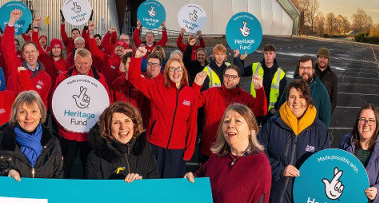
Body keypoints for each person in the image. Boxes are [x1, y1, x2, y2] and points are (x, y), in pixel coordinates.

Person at [128, 47, 201, 178]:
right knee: (152, 181)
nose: (175, 72)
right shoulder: (157, 86)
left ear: (183, 71)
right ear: (166, 71)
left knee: (171, 185)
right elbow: (134, 79)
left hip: (177, 149)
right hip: (155, 145)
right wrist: (137, 58)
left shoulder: (190, 93)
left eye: (178, 68)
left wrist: (189, 151)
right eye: (171, 69)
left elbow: (192, 124)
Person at [51, 48, 111, 179]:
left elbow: (106, 104)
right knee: (65, 166)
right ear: (74, 62)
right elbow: (55, 103)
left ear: (91, 62)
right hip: (68, 133)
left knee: (89, 167)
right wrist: (62, 124)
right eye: (79, 63)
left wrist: (99, 127)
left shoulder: (99, 78)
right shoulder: (63, 77)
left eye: (85, 63)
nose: (82, 66)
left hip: (90, 134)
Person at [194, 65, 267, 161]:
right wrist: (196, 85)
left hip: (234, 149)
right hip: (211, 147)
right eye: (227, 76)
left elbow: (261, 111)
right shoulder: (211, 93)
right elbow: (193, 103)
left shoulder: (245, 97)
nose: (229, 79)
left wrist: (259, 90)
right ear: (223, 77)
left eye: (234, 77)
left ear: (238, 79)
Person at [0, 91, 63, 179]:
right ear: (16, 115)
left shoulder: (52, 142)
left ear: (41, 114)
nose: (28, 117)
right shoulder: (2, 139)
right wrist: (7, 173)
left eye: (33, 111)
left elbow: (58, 175)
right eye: (22, 112)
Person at [85, 101, 158, 180]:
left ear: (134, 124)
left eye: (127, 121)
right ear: (107, 128)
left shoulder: (146, 149)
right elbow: (93, 187)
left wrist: (140, 184)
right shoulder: (96, 156)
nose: (123, 127)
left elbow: (154, 183)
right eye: (116, 123)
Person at [1, 11, 52, 104]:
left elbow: (43, 102)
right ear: (23, 55)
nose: (30, 54)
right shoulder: (15, 68)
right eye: (27, 52)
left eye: (32, 51)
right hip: (15, 111)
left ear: (38, 53)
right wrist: (12, 21)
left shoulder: (46, 77)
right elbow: (7, 47)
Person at [275, 55, 331, 128]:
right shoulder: (290, 87)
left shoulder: (321, 90)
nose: (305, 71)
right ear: (298, 69)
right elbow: (280, 109)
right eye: (302, 68)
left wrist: (319, 134)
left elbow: (325, 119)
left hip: (310, 133)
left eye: (308, 68)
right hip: (289, 131)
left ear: (313, 70)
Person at [233, 44, 286, 119]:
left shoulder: (281, 74)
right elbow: (241, 72)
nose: (268, 56)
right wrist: (238, 59)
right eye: (266, 53)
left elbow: (283, 95)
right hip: (256, 108)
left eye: (270, 53)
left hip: (270, 112)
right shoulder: (256, 66)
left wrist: (275, 108)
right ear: (263, 54)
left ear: (275, 55)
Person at [315, 47, 338, 115]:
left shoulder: (333, 77)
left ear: (328, 60)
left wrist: (328, 113)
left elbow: (334, 99)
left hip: (324, 114)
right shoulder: (311, 73)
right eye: (320, 57)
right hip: (309, 113)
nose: (322, 60)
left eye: (325, 58)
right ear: (317, 58)